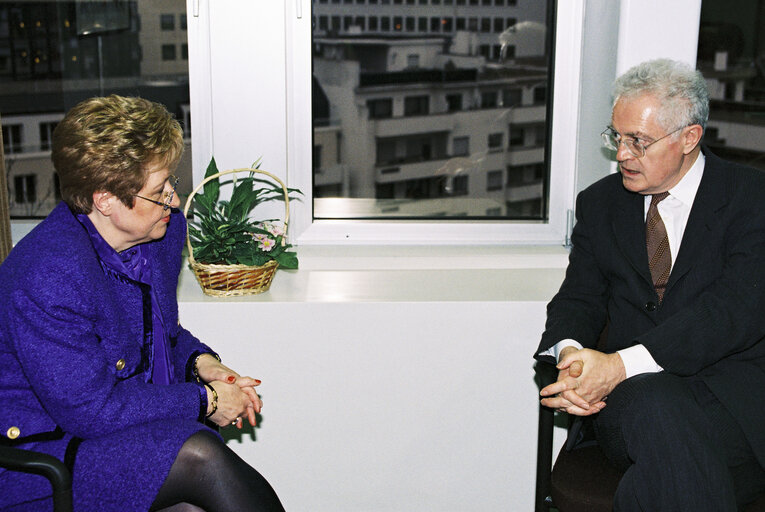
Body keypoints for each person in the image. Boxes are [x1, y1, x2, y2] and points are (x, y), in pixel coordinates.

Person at [0, 95, 285, 512]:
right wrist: (206, 401)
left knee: (197, 493)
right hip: (42, 455)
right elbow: (90, 409)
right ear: (105, 201)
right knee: (197, 455)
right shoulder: (47, 274)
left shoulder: (159, 235)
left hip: (107, 432)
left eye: (170, 182)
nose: (173, 199)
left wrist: (204, 365)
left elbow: (159, 333)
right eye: (158, 191)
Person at [535, 59, 765, 511]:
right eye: (616, 137)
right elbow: (578, 299)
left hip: (732, 404)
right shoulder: (600, 204)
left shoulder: (751, 199)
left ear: (689, 138)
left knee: (666, 477)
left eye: (637, 141)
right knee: (655, 401)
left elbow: (735, 310)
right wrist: (572, 359)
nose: (621, 154)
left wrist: (619, 364)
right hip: (628, 407)